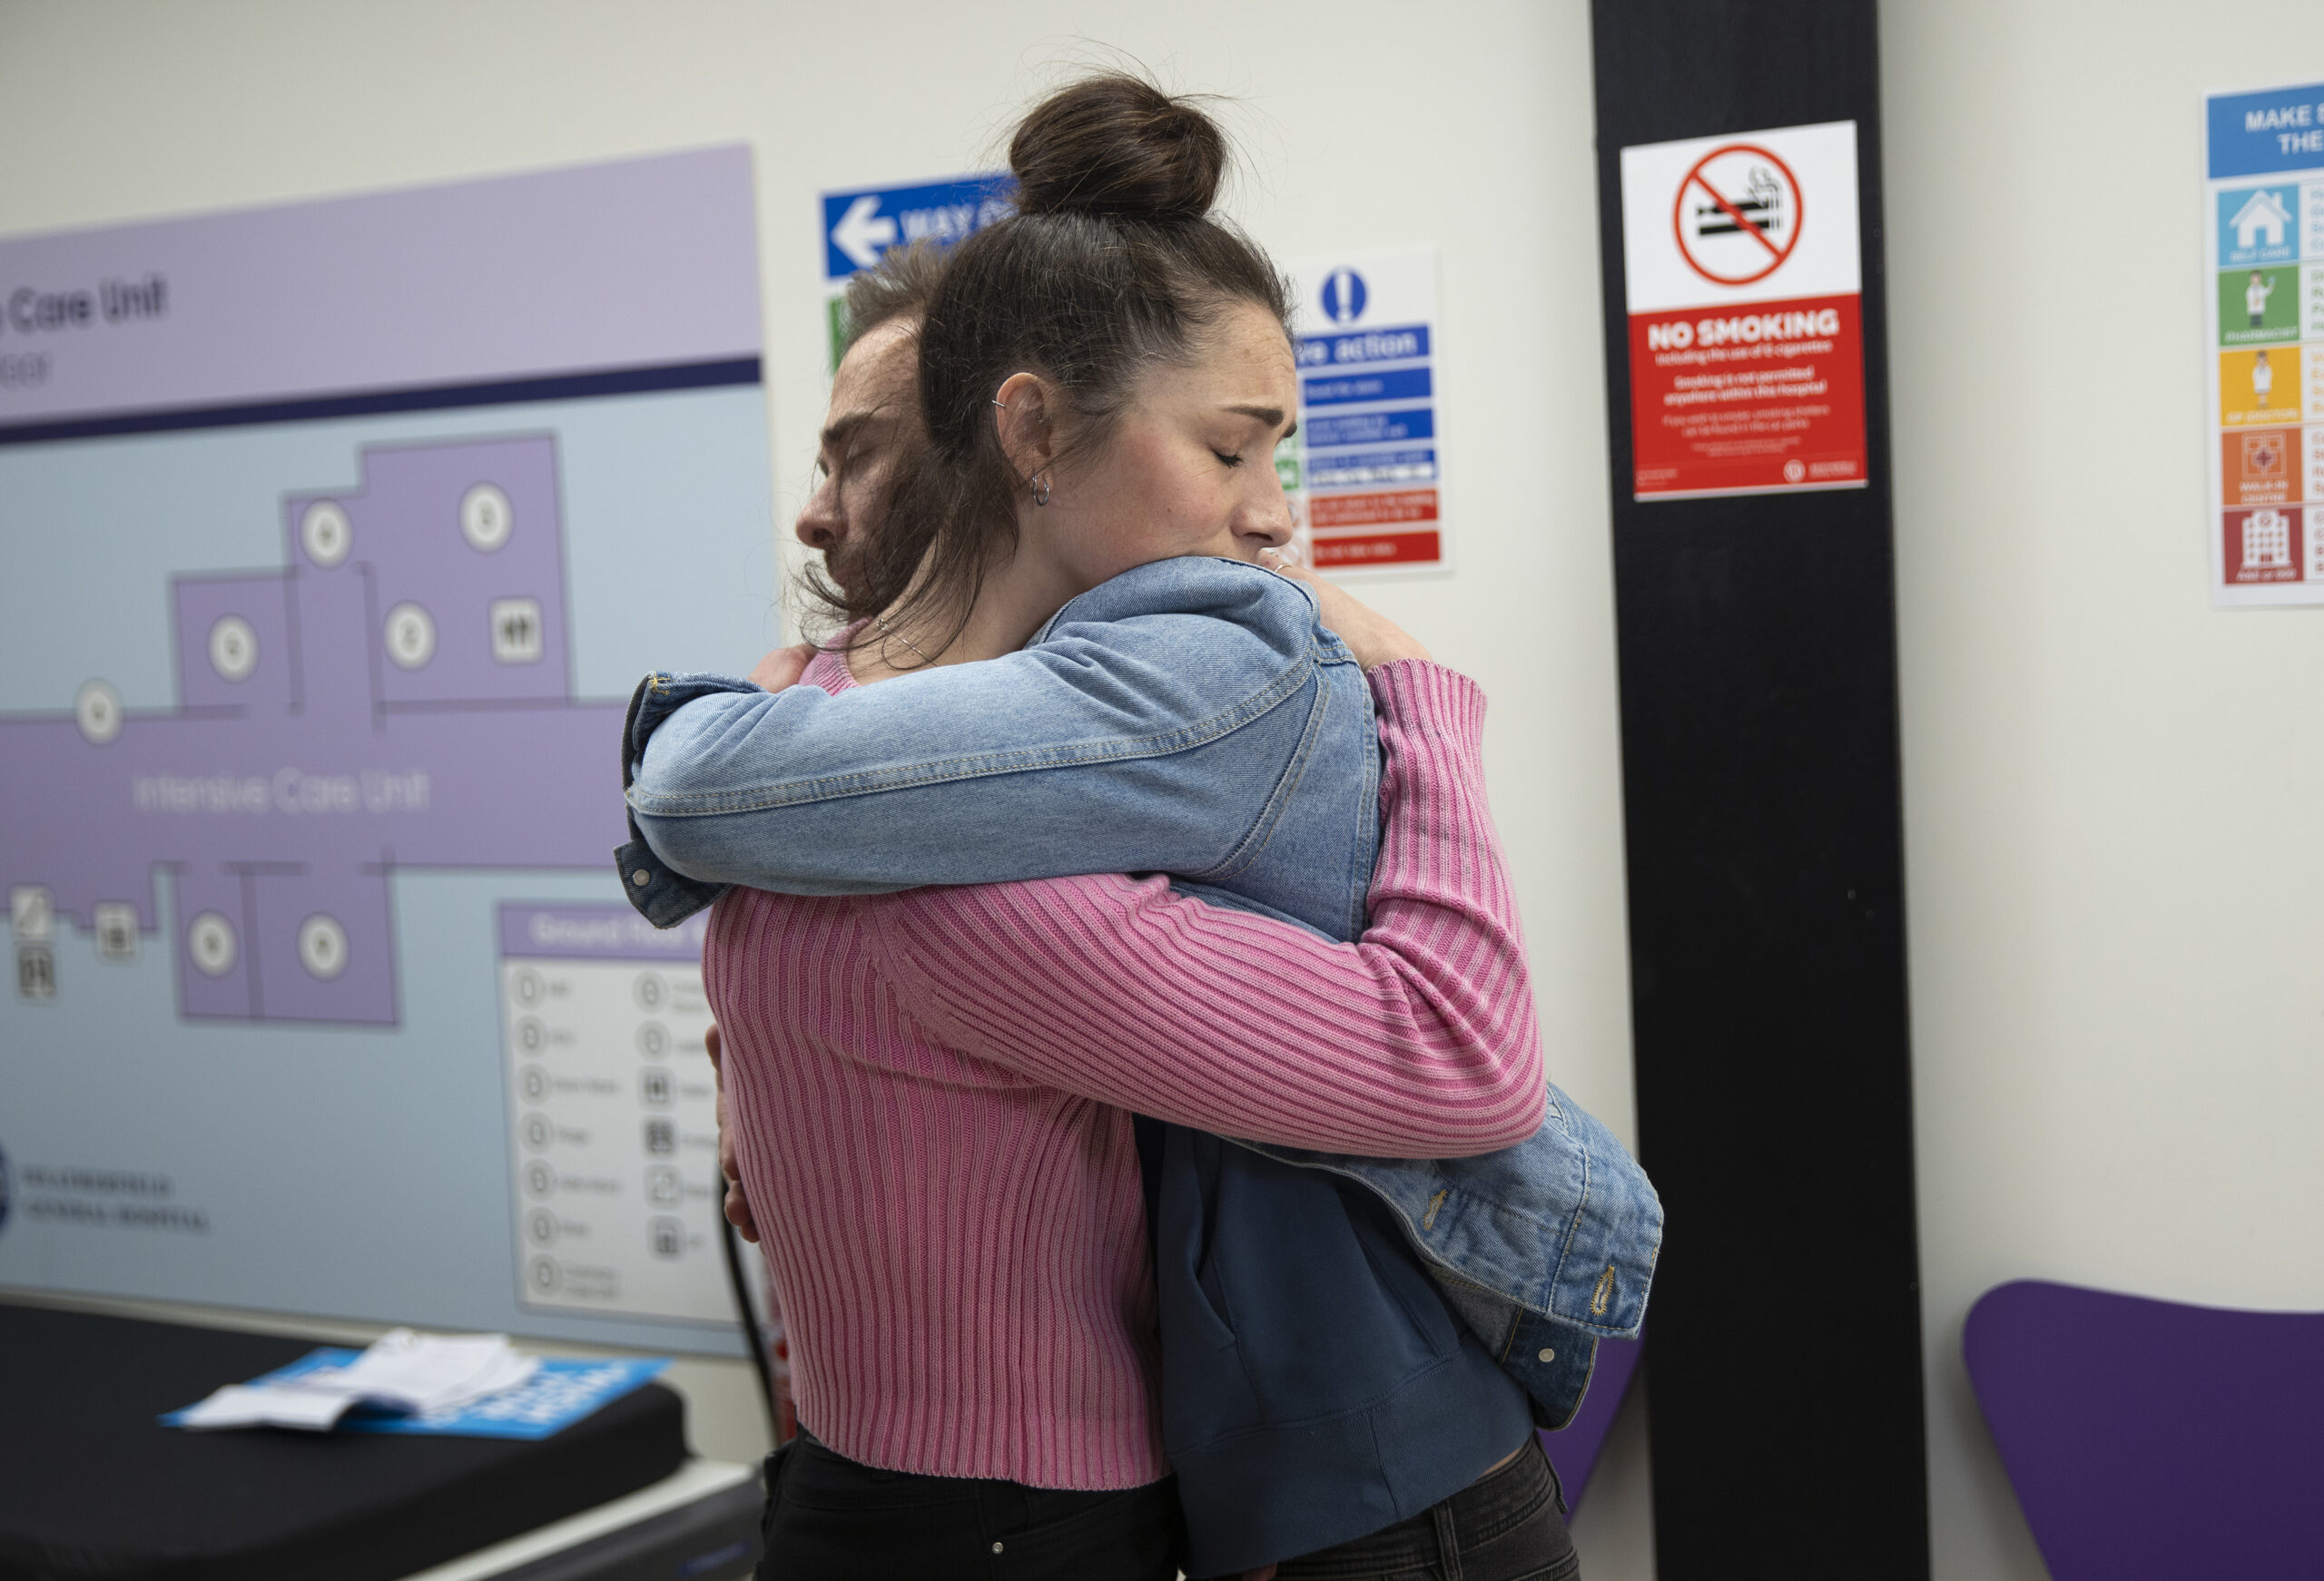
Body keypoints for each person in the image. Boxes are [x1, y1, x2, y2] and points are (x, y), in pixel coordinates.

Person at [621, 76, 1655, 1580]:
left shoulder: (1155, 700)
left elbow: (1464, 1057)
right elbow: (776, 770)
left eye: (863, 451)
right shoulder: (904, 790)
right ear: (1027, 438)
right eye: (1234, 451)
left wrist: (1429, 700)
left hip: (1307, 1460)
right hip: (1053, 1489)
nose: (1275, 517)